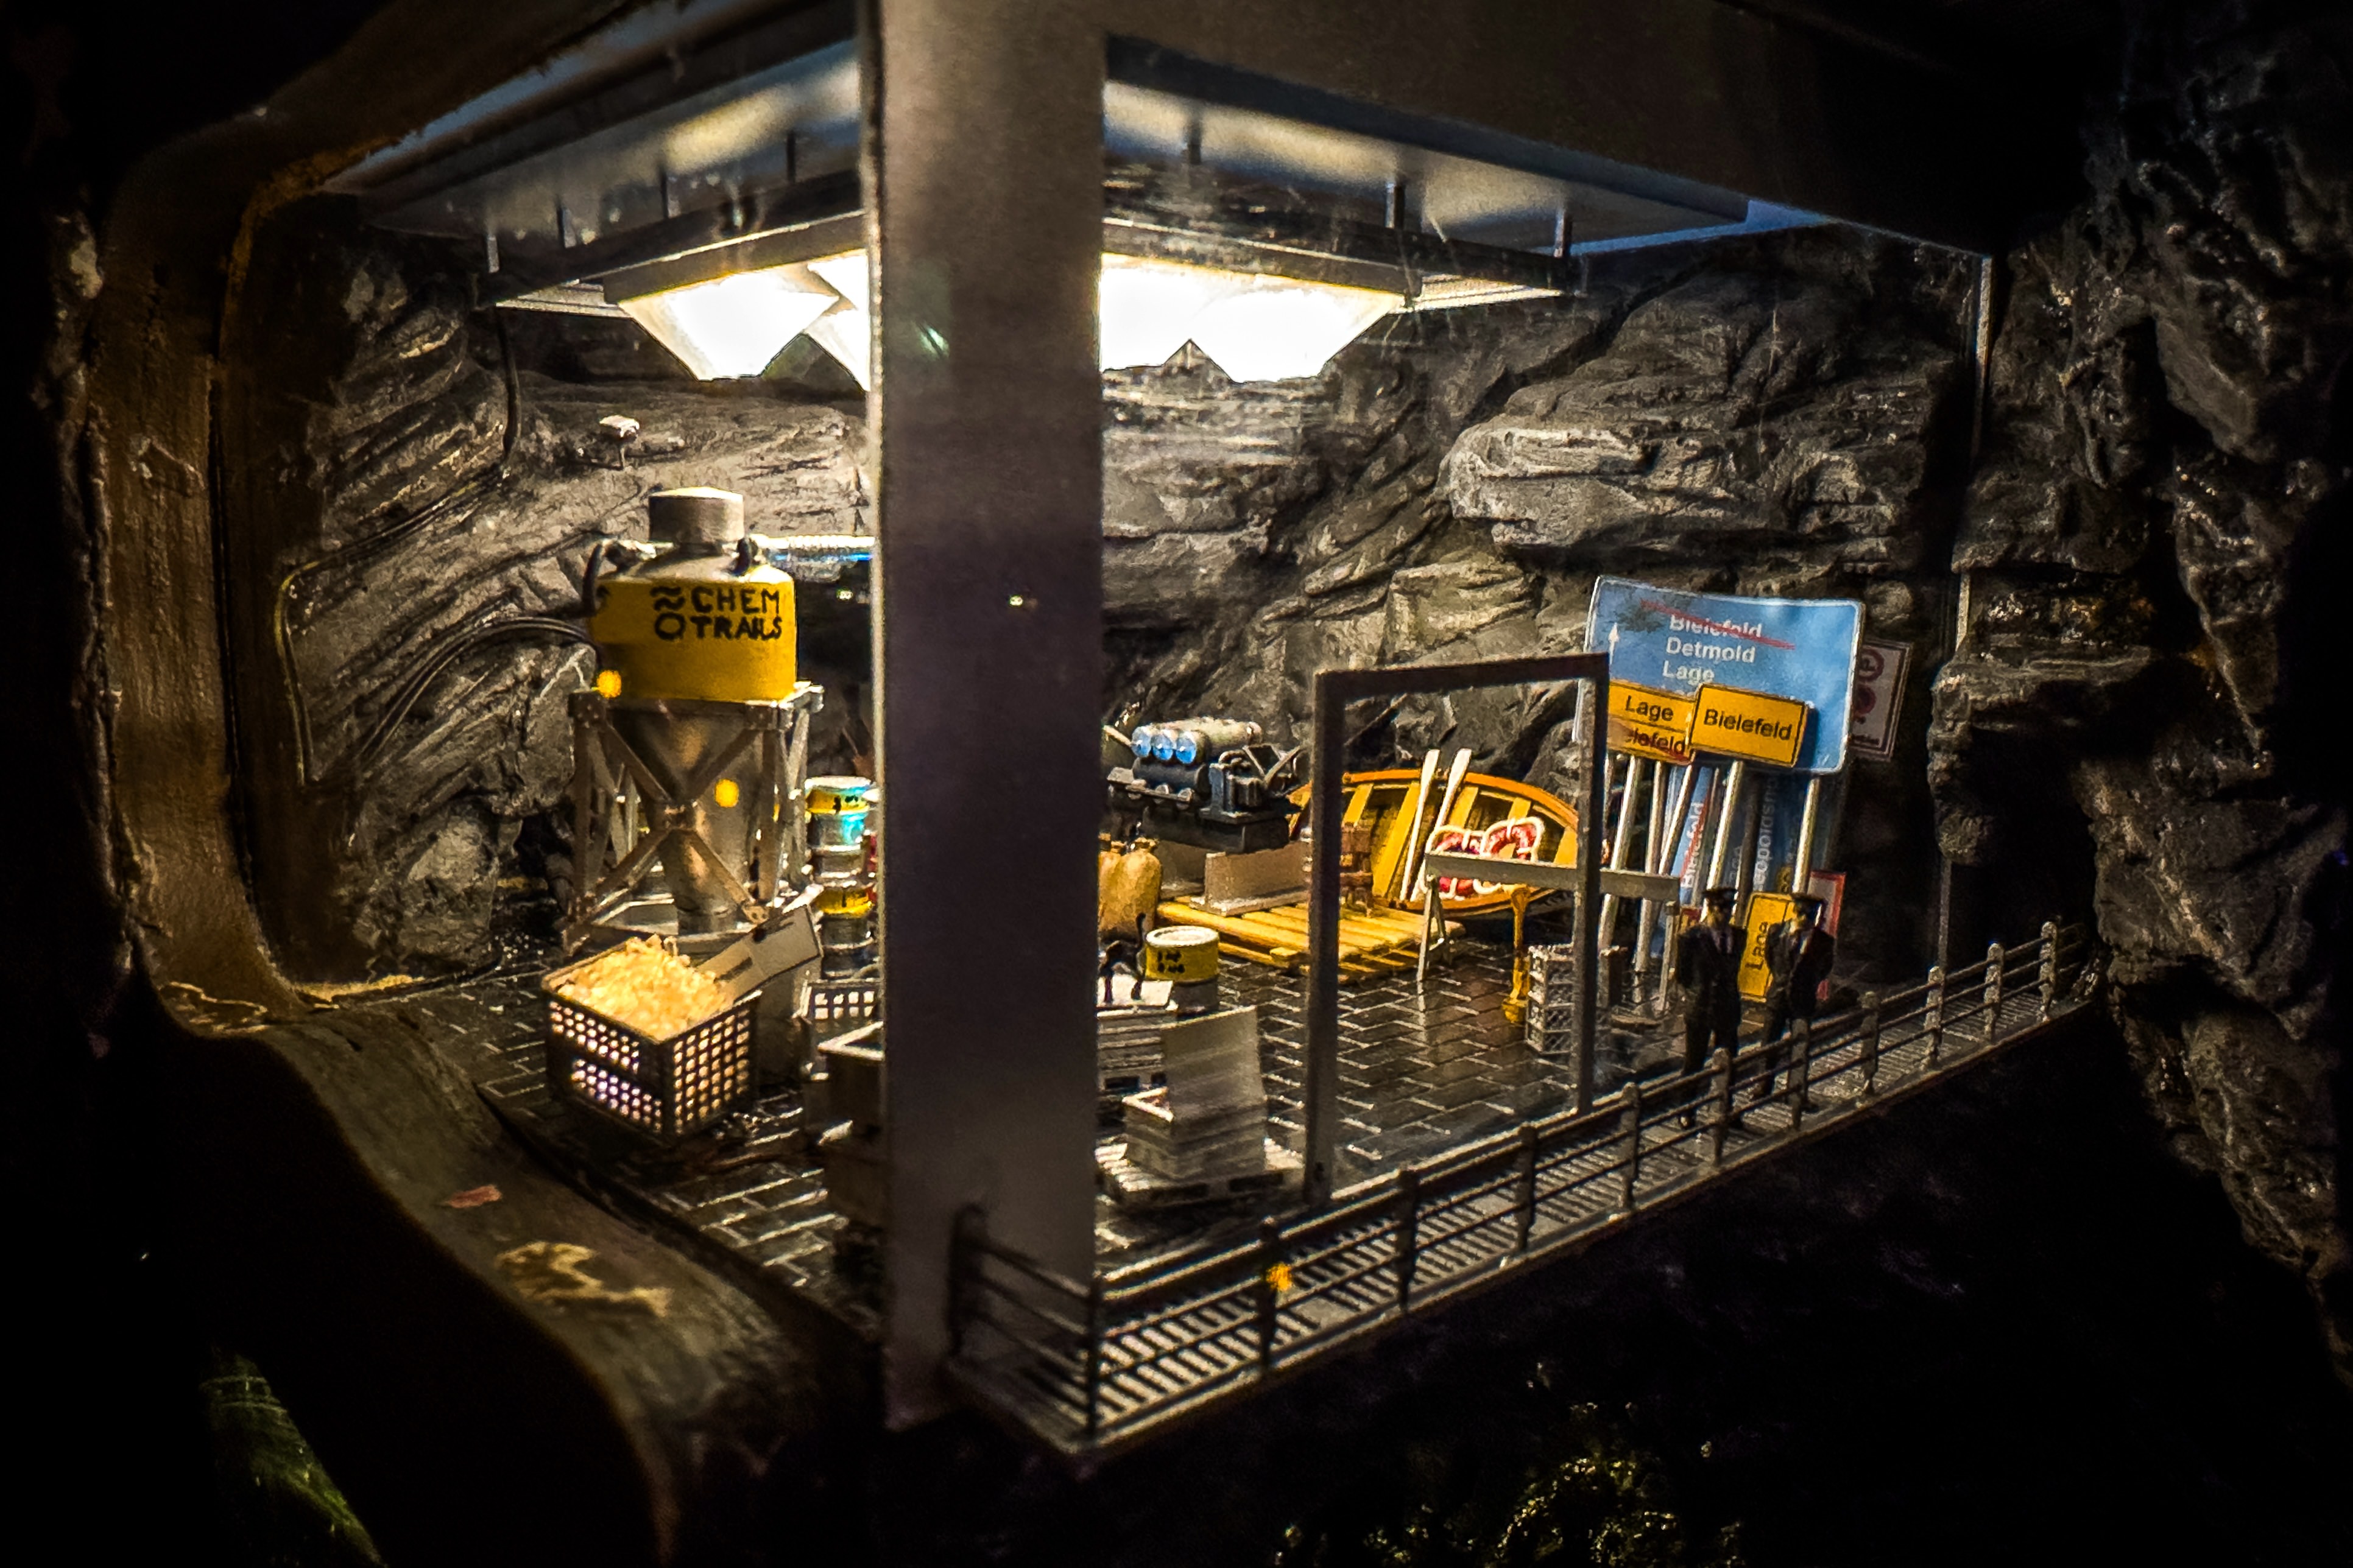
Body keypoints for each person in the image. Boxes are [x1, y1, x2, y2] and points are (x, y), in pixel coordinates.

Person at [1756, 895, 1836, 1105]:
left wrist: (1808, 983)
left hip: (1803, 998)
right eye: (1801, 914)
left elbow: (1824, 969)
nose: (1805, 920)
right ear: (1795, 912)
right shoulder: (1777, 932)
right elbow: (1771, 959)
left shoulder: (1824, 942)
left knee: (1800, 1046)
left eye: (1810, 916)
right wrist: (1782, 980)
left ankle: (1795, 1090)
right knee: (1769, 1043)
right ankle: (1763, 1085)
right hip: (1778, 996)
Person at [1674, 888, 1746, 1117]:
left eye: (1729, 909)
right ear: (1710, 908)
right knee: (1694, 1062)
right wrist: (1697, 994)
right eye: (1720, 909)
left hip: (1728, 1008)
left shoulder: (1739, 936)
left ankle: (1725, 1107)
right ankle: (1686, 1110)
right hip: (1701, 1008)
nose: (1725, 915)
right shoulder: (1691, 938)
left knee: (1729, 1062)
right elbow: (1683, 975)